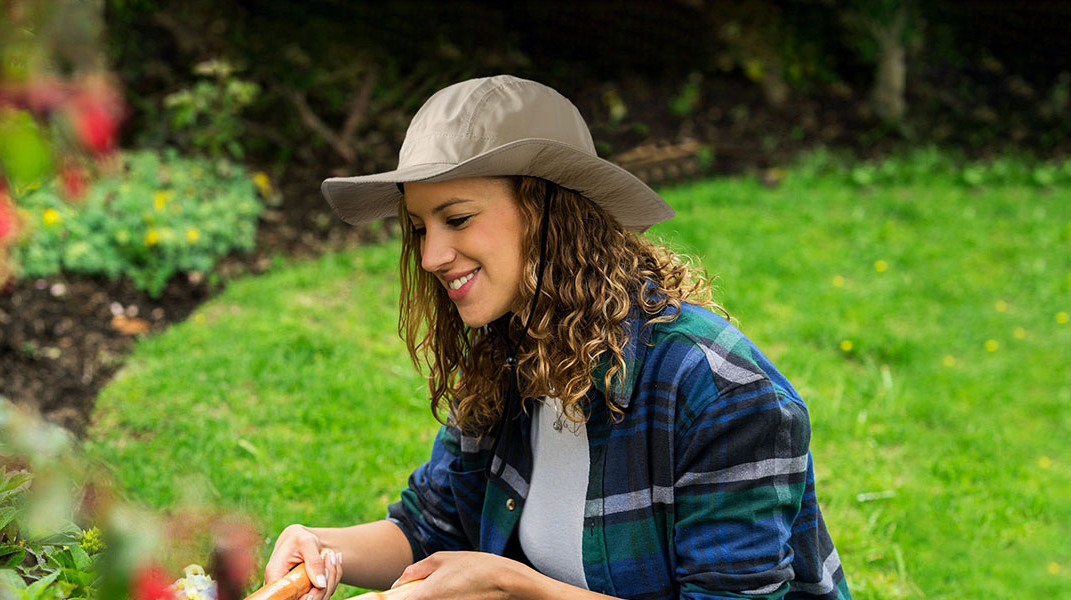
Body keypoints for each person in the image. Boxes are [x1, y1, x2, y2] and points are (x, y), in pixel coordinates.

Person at [264, 75, 850, 600]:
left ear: (551, 213)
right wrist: (319, 548)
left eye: (458, 218)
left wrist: (507, 584)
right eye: (419, 228)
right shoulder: (510, 352)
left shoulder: (722, 397)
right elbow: (431, 528)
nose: (432, 256)